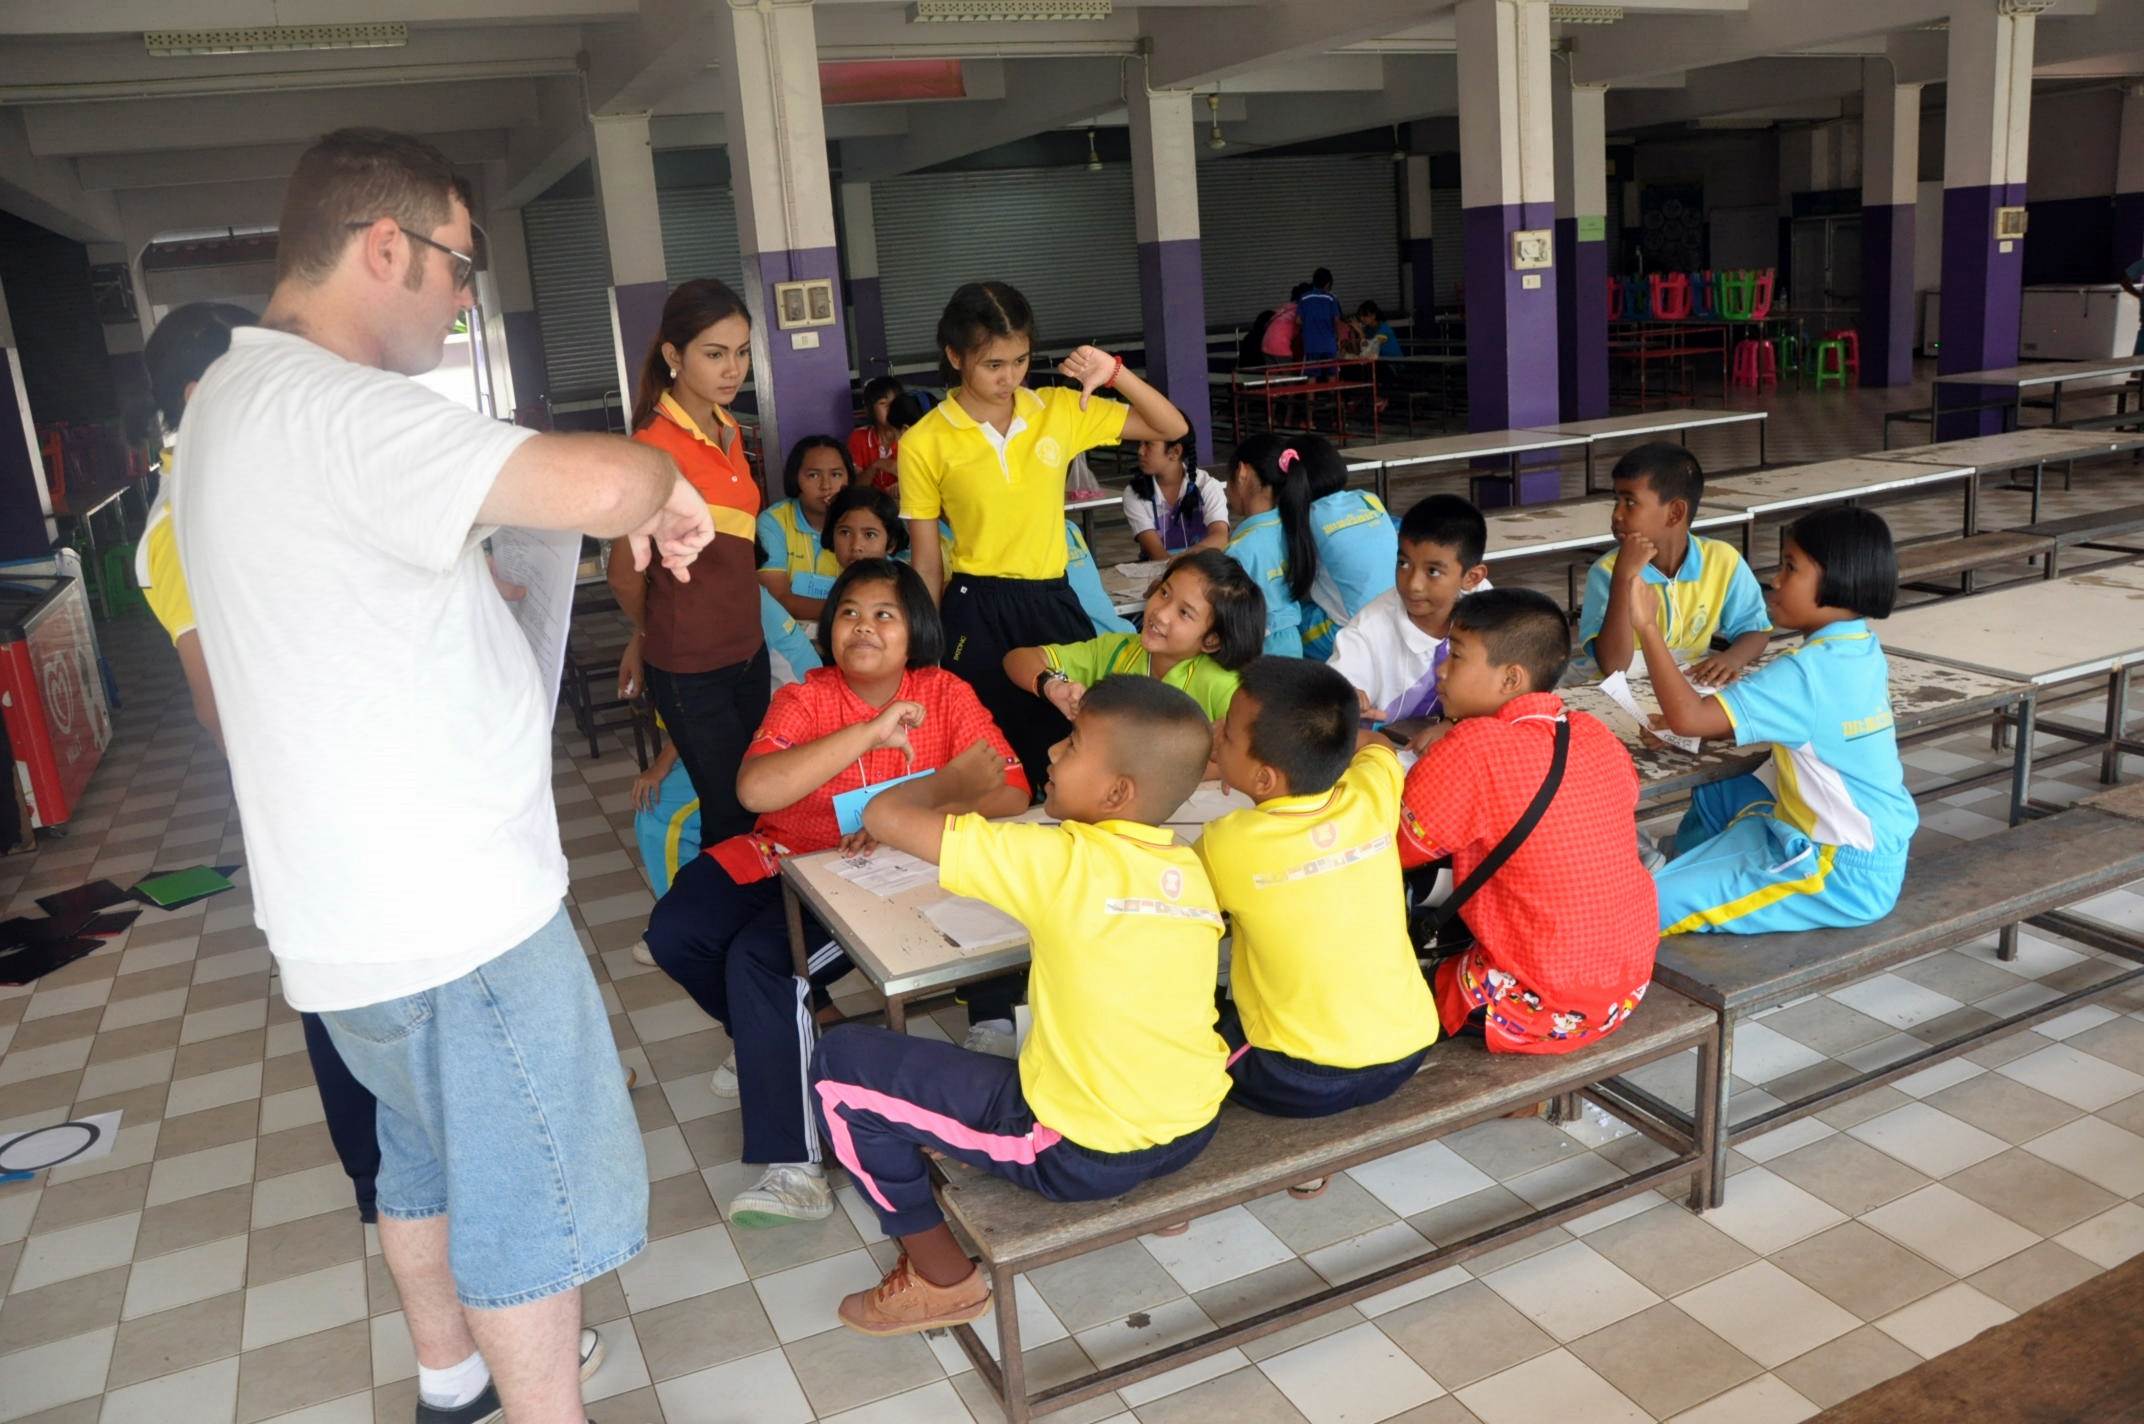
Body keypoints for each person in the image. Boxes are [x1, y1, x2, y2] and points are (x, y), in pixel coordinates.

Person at [176, 128, 711, 1424]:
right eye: (460, 264)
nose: (466, 296)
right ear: (385, 246)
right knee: (528, 1199)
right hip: (454, 918)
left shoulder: (228, 406)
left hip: (346, 922)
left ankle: (450, 1385)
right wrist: (664, 479)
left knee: (423, 1161)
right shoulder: (341, 409)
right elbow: (605, 478)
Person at [813, 676, 1228, 1335]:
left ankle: (941, 1281)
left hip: (1081, 1153)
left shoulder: (1058, 859)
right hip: (1193, 1123)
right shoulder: (1188, 866)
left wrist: (953, 782)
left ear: (1116, 793)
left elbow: (884, 815)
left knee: (839, 1070)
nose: (1054, 752)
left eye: (1074, 743)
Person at [642, 559, 1029, 1226]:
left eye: (884, 615)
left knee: (764, 964)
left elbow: (1013, 789)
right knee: (676, 934)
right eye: (849, 612)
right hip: (783, 854)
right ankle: (769, 1040)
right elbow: (756, 791)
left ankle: (796, 1168)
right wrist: (870, 733)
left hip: (869, 877)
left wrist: (905, 817)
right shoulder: (808, 697)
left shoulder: (945, 694)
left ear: (916, 630)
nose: (863, 626)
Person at [139, 299, 386, 1232]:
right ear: (201, 390)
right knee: (340, 985)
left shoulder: (244, 477)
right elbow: (216, 700)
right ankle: (377, 1180)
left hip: (347, 769)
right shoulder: (177, 520)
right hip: (307, 794)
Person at [900, 280, 1190, 791]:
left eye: (1020, 360)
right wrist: (926, 650)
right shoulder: (924, 441)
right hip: (974, 606)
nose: (1009, 377)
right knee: (994, 756)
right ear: (955, 356)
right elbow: (926, 560)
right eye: (993, 364)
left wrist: (1115, 373)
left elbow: (1171, 427)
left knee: (1079, 738)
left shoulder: (1059, 409)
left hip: (1050, 597)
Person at [1397, 590, 1658, 1053]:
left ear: (1510, 678)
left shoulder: (1476, 747)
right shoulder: (1593, 732)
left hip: (1540, 1004)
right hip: (1624, 991)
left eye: (1456, 656)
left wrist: (1373, 762)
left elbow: (1396, 848)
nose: (1441, 671)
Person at [1644, 507, 1916, 935]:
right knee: (1721, 790)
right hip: (1874, 848)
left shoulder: (1804, 672)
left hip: (1836, 873)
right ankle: (1690, 869)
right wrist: (1693, 724)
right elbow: (1800, 717)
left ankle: (1678, 886)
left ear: (1838, 578)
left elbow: (1687, 717)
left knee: (1639, 907)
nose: (1775, 579)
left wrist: (1647, 626)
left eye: (1791, 567)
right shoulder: (1859, 646)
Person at [1201, 658, 1436, 1127]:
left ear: (1264, 779)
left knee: (1193, 1036)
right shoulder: (1371, 793)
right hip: (1408, 1050)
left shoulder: (1227, 842)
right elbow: (1376, 746)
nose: (1216, 728)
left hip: (1296, 1076)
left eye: (1226, 733)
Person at [611, 278, 770, 849]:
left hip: (748, 653)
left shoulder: (729, 428)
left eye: (742, 352)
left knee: (759, 805)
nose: (734, 369)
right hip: (692, 668)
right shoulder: (652, 448)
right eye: (715, 354)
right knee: (731, 815)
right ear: (674, 355)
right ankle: (710, 910)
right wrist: (650, 632)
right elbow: (624, 573)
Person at [1003, 548, 1264, 726]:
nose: (1160, 613)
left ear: (1212, 640)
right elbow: (1017, 659)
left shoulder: (1223, 686)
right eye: (1164, 593)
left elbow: (1250, 755)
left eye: (1184, 613)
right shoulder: (1115, 650)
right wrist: (1052, 685)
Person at [1580, 442, 1771, 681]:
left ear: (1675, 513)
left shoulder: (1722, 560)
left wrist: (1731, 659)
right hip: (1621, 689)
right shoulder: (1607, 572)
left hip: (1691, 682)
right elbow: (1614, 666)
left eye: (1630, 502)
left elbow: (1755, 629)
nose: (1617, 514)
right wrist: (1623, 578)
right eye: (1616, 501)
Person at [1330, 494, 1491, 749]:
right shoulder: (1367, 631)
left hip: (1463, 744)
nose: (1413, 584)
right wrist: (1344, 699)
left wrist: (1455, 724)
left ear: (1471, 578)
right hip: (1385, 755)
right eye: (1404, 564)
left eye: (1433, 571)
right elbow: (1331, 696)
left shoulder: (1485, 605)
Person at [1298, 441, 1397, 660]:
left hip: (1350, 631)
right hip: (1395, 616)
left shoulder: (1306, 517)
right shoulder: (1368, 498)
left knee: (1283, 628)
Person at [1224, 433, 1320, 657]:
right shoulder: (1292, 526)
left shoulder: (1241, 547)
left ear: (1242, 473)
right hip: (1293, 644)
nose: (1226, 489)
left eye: (1227, 480)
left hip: (1259, 651)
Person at [757, 435, 853, 621]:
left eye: (836, 475)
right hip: (789, 628)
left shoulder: (861, 518)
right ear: (795, 478)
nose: (826, 486)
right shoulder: (773, 522)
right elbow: (777, 600)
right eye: (813, 475)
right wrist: (849, 611)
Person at [1122, 415, 1229, 559]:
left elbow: (1220, 538)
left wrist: (1182, 561)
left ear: (1175, 452)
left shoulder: (1207, 486)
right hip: (1160, 569)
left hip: (1202, 567)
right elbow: (1156, 553)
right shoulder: (1134, 493)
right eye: (1139, 444)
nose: (1140, 451)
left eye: (1148, 444)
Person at [823, 482, 908, 568]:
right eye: (845, 532)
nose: (856, 546)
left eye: (870, 534)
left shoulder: (904, 576)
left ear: (891, 543)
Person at [850, 375, 905, 490]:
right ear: (870, 409)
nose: (891, 408)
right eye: (883, 403)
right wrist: (877, 465)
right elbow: (855, 487)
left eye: (895, 402)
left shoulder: (911, 437)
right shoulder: (858, 438)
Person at [1298, 267, 1343, 370]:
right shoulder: (1331, 298)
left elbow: (1298, 321)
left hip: (1311, 345)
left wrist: (1309, 324)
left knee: (1312, 374)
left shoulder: (1304, 298)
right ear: (1327, 284)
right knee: (1331, 374)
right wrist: (1338, 337)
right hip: (1329, 345)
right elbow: (1336, 320)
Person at [1262, 283, 1308, 363]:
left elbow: (1267, 324)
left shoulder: (1286, 307)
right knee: (1287, 370)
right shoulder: (1301, 310)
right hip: (1280, 347)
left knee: (1273, 371)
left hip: (1266, 345)